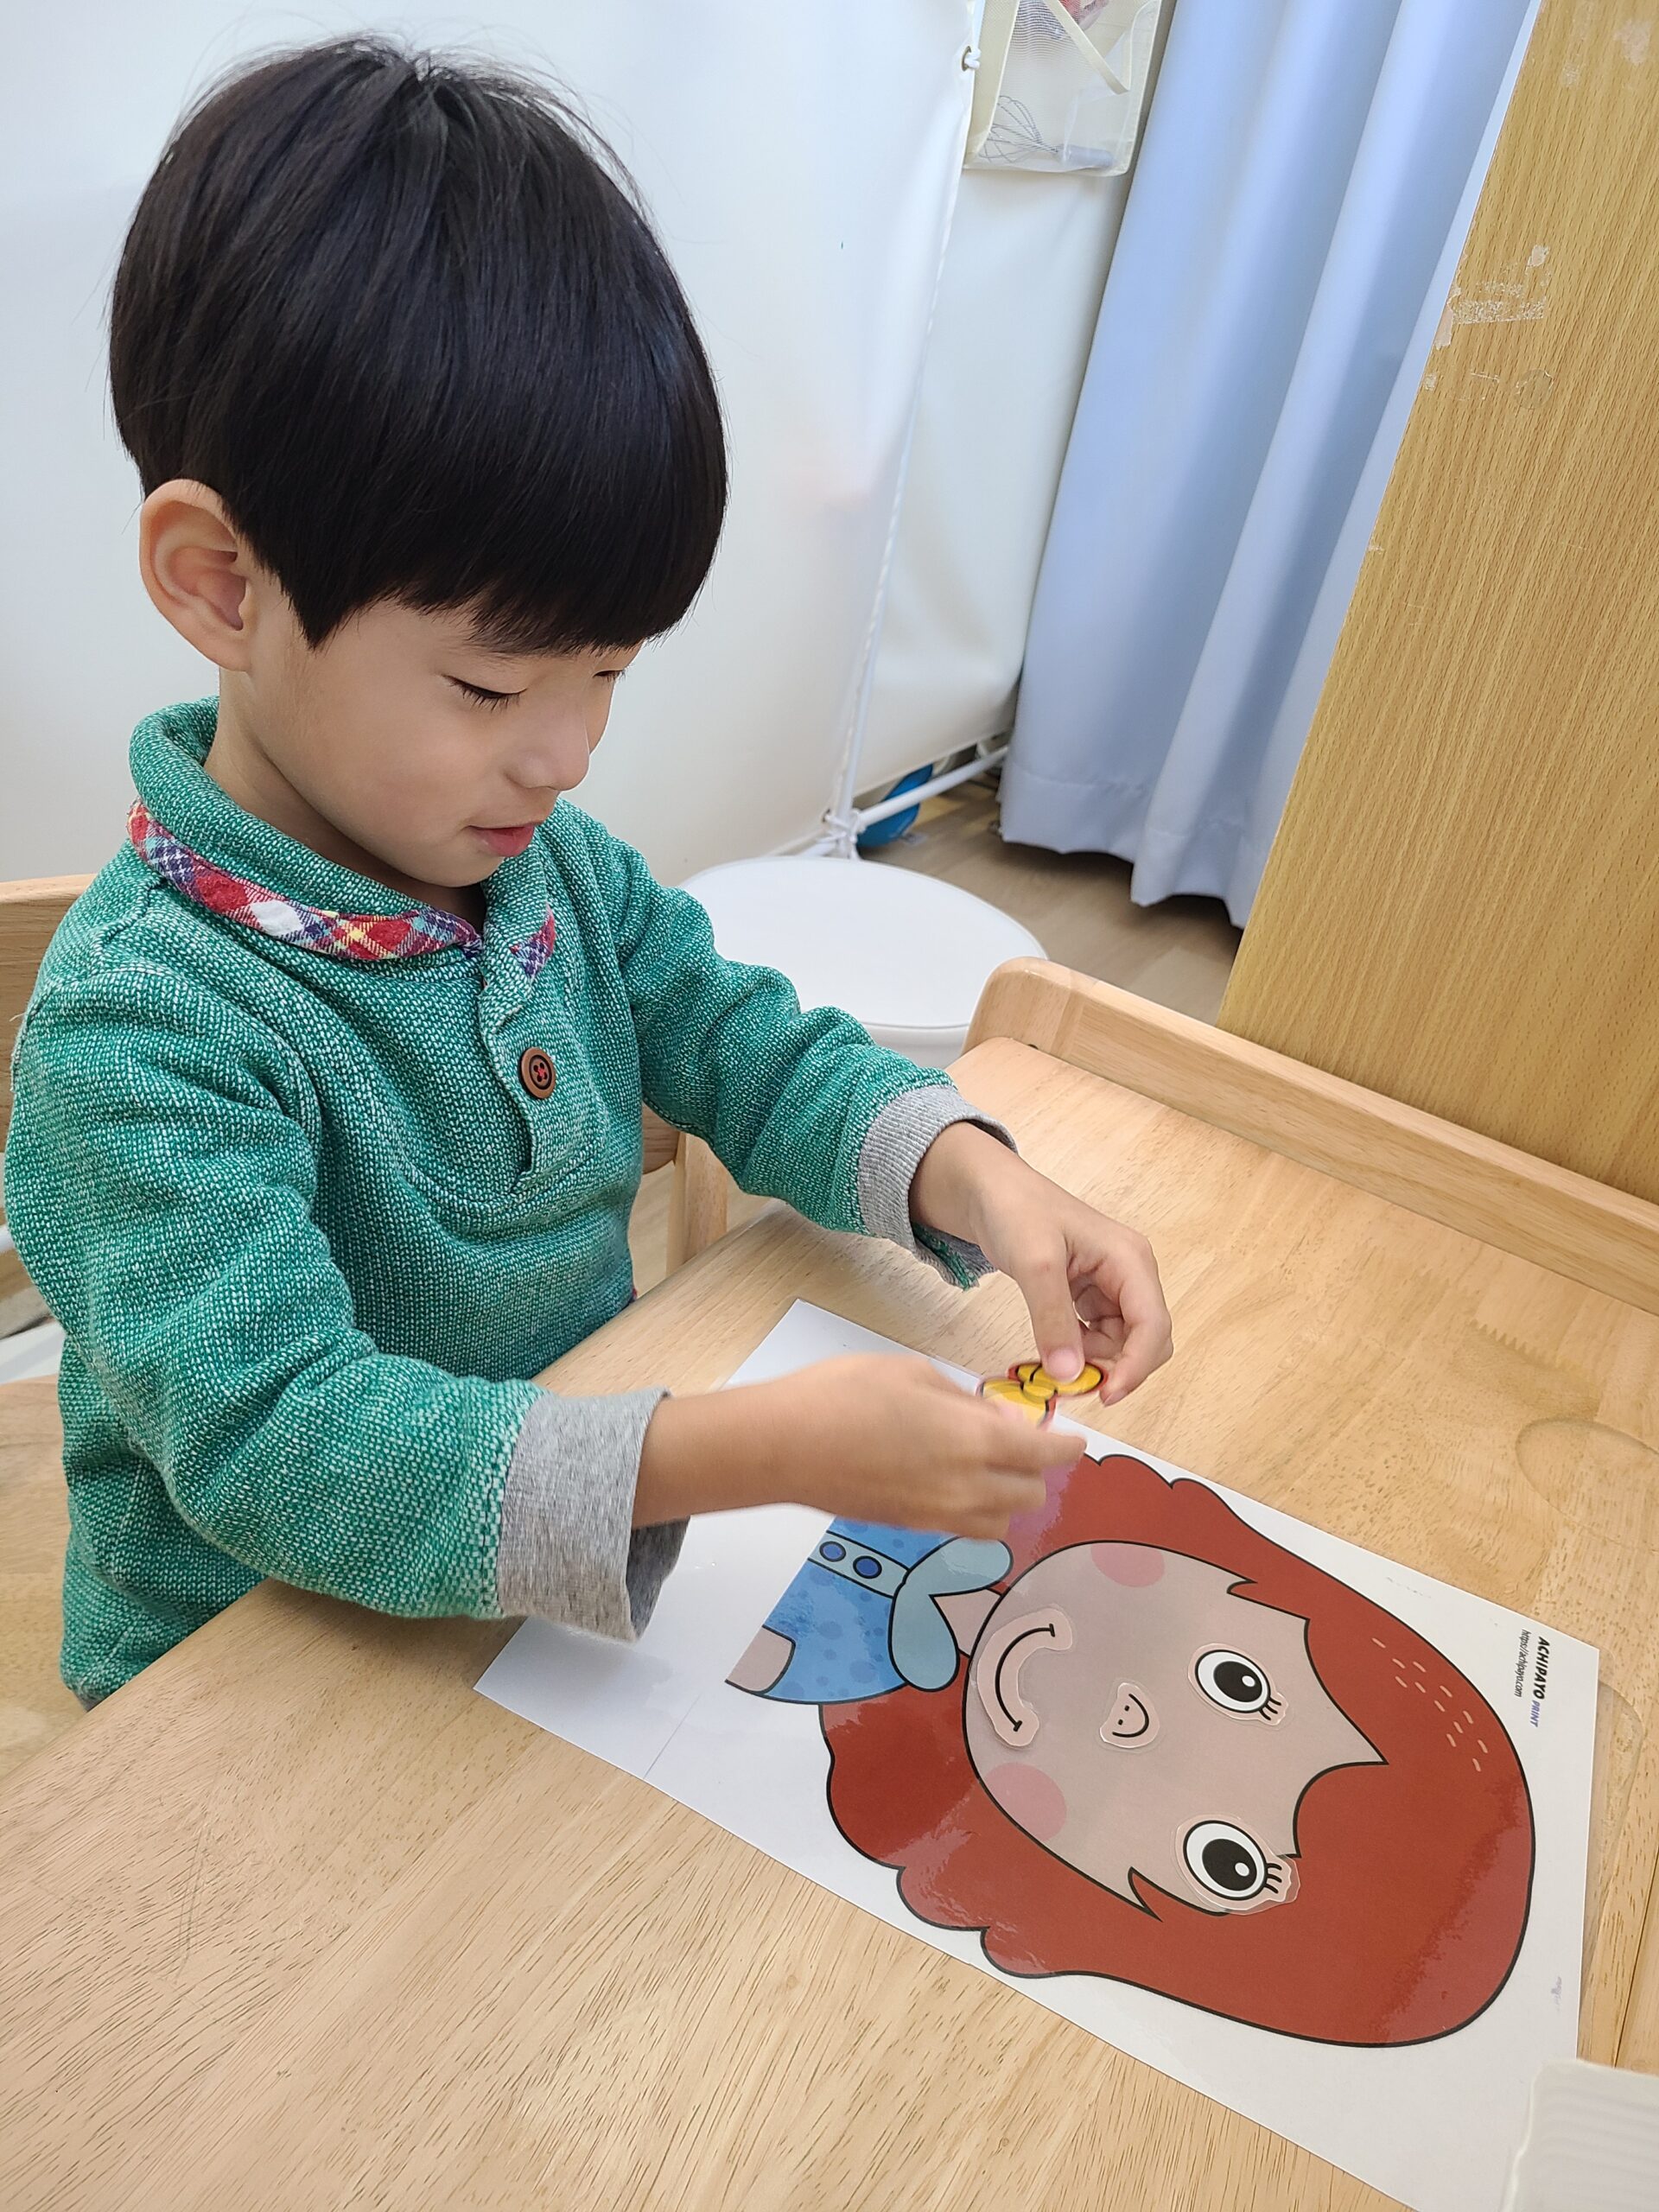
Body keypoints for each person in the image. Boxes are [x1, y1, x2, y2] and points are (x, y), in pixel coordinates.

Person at [4, 38, 1171, 1708]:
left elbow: (747, 1046)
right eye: (491, 688)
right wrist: (741, 1449)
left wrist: (975, 1179)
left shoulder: (550, 875)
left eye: (608, 671)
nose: (564, 755)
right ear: (222, 586)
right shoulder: (143, 1032)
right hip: (257, 1674)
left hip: (546, 1605)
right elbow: (280, 1441)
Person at [732, 1452, 1534, 2045]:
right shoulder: (959, 1462)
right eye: (1237, 1682)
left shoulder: (807, 1667)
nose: (1132, 1715)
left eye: (1224, 1860)